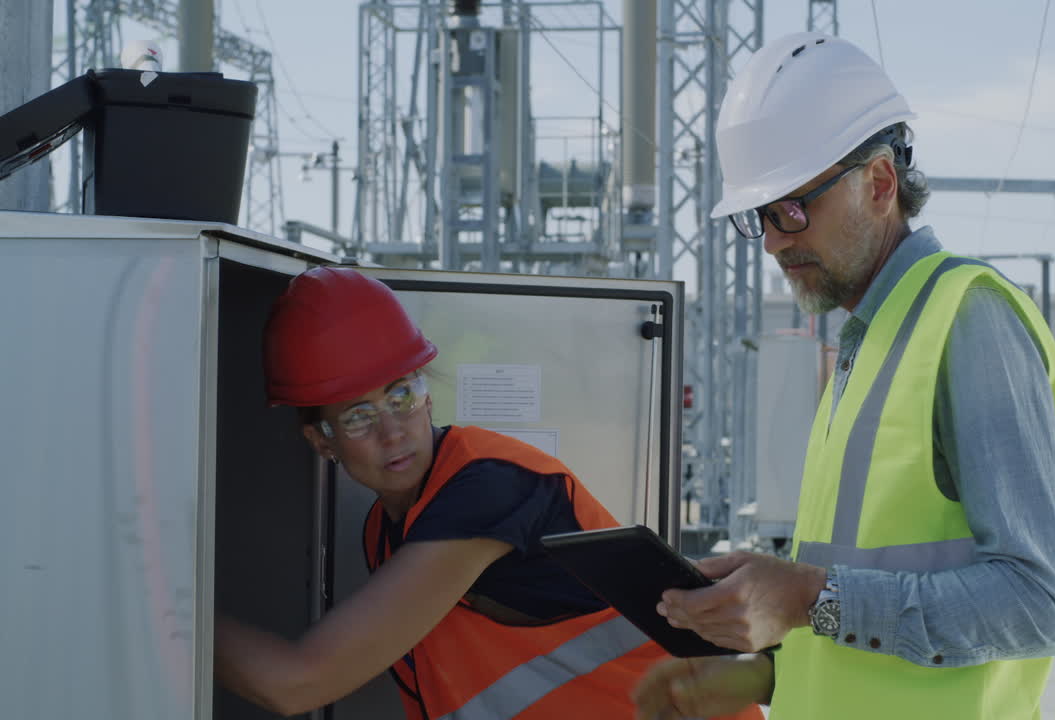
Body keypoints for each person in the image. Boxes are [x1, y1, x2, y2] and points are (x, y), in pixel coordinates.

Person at [633, 32, 1055, 720]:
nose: (776, 241)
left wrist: (808, 597)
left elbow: (1037, 604)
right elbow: (859, 606)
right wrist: (755, 665)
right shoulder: (870, 337)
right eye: (762, 217)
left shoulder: (968, 318)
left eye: (792, 208)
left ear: (878, 184)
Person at [215, 267, 764, 720]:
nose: (393, 431)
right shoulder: (386, 534)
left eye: (401, 393)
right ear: (321, 439)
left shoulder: (487, 492)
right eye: (358, 415)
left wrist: (162, 611)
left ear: (427, 394)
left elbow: (297, 683)